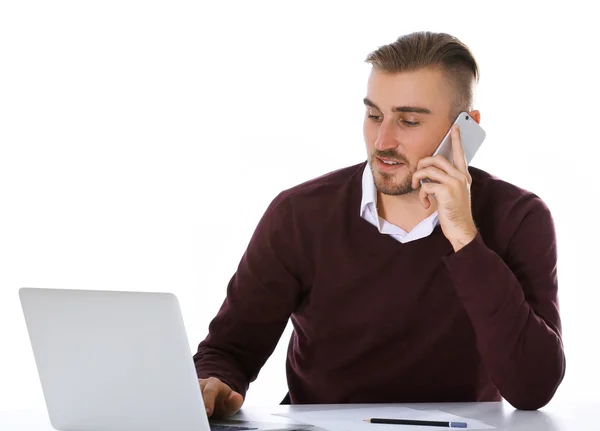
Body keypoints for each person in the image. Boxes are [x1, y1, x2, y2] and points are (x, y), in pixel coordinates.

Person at [193, 31, 565, 419]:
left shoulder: (519, 218)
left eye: (408, 120)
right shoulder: (300, 214)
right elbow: (228, 350)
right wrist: (214, 381)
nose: (382, 140)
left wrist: (464, 237)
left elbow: (532, 387)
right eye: (374, 115)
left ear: (465, 127)